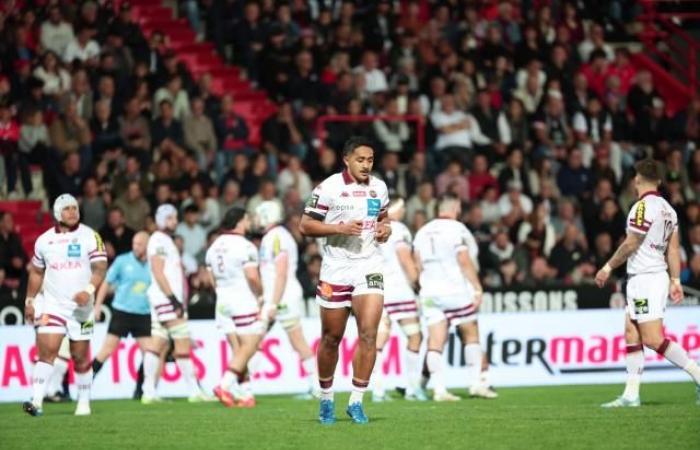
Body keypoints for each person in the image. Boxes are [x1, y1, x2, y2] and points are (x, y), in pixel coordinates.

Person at [299, 136, 391, 425]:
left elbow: (384, 220)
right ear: (347, 160)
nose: (366, 165)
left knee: (368, 334)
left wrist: (385, 230)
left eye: (370, 160)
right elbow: (305, 225)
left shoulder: (379, 187)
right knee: (331, 338)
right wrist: (338, 227)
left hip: (369, 265)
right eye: (361, 159)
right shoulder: (328, 188)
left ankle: (356, 401)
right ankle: (326, 400)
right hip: (336, 268)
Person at [595, 159, 700, 407]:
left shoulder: (642, 208)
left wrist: (608, 266)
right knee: (631, 331)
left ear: (637, 179)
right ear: (660, 181)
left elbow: (632, 242)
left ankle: (698, 374)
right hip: (651, 277)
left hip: (646, 279)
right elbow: (673, 251)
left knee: (652, 339)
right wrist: (675, 280)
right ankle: (631, 395)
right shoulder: (668, 210)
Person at [23, 194, 108, 416]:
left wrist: (88, 291)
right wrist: (30, 301)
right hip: (52, 306)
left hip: (81, 309)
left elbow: (100, 268)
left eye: (75, 208)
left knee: (79, 357)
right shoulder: (43, 241)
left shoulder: (91, 236)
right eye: (67, 208)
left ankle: (84, 402)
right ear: (57, 213)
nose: (73, 212)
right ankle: (37, 401)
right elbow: (36, 273)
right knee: (47, 351)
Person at [413, 195, 497, 402]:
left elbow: (417, 264)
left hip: (430, 292)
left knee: (435, 341)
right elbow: (463, 259)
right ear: (456, 208)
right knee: (470, 334)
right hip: (454, 290)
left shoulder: (422, 232)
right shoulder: (458, 229)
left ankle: (439, 390)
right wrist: (477, 287)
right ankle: (476, 384)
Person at [141, 204, 209, 404]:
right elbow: (158, 270)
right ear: (161, 220)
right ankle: (194, 391)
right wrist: (172, 298)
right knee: (182, 342)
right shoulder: (159, 240)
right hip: (166, 300)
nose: (175, 221)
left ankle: (148, 391)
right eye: (170, 218)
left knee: (157, 344)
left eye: (174, 218)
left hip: (162, 299)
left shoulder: (164, 240)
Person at [256, 200, 318, 398]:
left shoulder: (277, 238)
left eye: (259, 214)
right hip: (278, 295)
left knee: (257, 338)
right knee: (258, 338)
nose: (256, 218)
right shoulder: (274, 236)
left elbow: (280, 273)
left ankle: (238, 385)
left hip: (283, 296)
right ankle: (317, 386)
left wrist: (272, 302)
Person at [209, 207, 263, 408]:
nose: (249, 223)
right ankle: (224, 385)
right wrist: (261, 294)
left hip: (222, 301)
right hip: (242, 300)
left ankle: (247, 394)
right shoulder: (246, 246)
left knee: (238, 350)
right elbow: (252, 276)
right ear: (240, 221)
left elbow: (211, 277)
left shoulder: (214, 246)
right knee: (250, 346)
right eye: (247, 219)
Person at [373, 197, 426, 402]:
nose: (404, 211)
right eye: (402, 206)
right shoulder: (399, 229)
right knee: (414, 337)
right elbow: (404, 258)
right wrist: (417, 283)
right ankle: (413, 389)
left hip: (379, 290)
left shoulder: (374, 228)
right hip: (399, 291)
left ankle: (378, 391)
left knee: (378, 342)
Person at [91, 232, 152, 399]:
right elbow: (106, 283)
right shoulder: (122, 261)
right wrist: (97, 306)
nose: (135, 247)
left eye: (139, 244)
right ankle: (85, 383)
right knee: (106, 351)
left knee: (149, 354)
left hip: (143, 313)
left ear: (147, 246)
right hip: (122, 312)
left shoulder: (153, 264)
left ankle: (140, 390)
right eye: (134, 243)